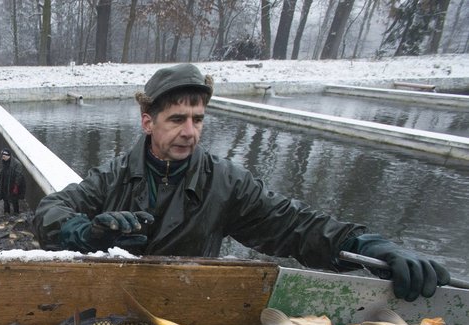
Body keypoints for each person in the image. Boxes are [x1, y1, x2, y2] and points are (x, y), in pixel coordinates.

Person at [33, 63, 450, 302]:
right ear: (148, 122)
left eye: (198, 119)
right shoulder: (114, 175)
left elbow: (295, 227)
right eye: (177, 119)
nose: (190, 132)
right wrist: (87, 232)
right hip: (115, 302)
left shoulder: (226, 183)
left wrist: (369, 247)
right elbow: (49, 212)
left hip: (189, 306)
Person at [0, 148, 27, 215]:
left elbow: (19, 176)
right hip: (5, 184)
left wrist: (16, 186)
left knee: (14, 200)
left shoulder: (17, 164)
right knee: (5, 199)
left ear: (9, 156)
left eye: (4, 156)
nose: (3, 158)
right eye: (2, 156)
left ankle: (16, 214)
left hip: (13, 185)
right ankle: (6, 213)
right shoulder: (3, 161)